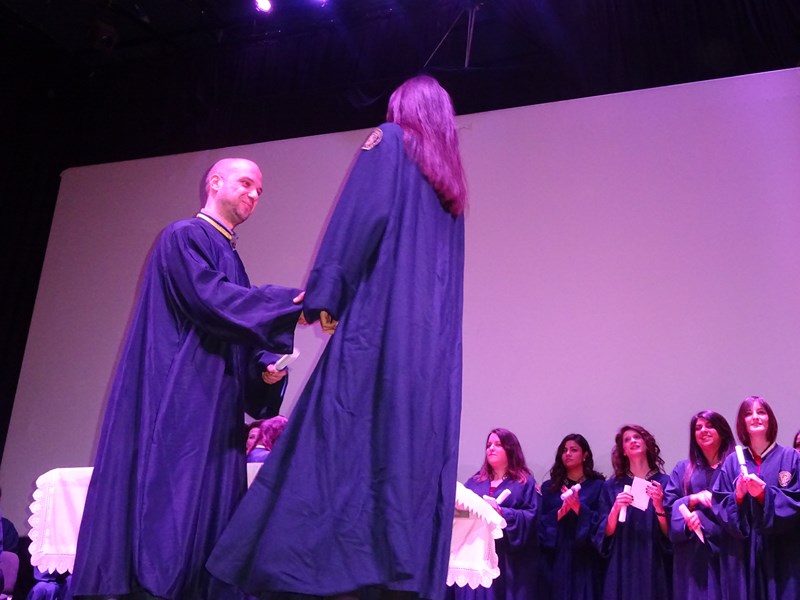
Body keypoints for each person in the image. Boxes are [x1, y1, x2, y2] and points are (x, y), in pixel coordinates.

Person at [207, 74, 467, 600]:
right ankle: (391, 574)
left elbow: (358, 217)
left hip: (381, 331)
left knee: (336, 437)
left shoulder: (391, 141)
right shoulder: (451, 191)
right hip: (430, 355)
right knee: (401, 457)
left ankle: (304, 573)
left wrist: (326, 296)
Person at [70, 158, 305, 600]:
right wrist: (292, 304)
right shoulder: (183, 237)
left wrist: (265, 371)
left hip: (215, 412)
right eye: (246, 183)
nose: (254, 195)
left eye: (260, 191)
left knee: (209, 520)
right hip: (181, 400)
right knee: (170, 514)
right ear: (214, 183)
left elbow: (235, 330)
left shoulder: (232, 258)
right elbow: (212, 302)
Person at [712, 396, 800, 600]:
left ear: (770, 419)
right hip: (743, 556)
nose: (755, 417)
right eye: (748, 413)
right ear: (742, 422)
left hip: (782, 553)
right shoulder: (732, 462)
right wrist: (738, 496)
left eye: (761, 412)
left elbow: (796, 500)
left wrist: (763, 495)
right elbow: (720, 503)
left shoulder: (791, 458)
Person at [449, 428, 539, 600]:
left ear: (510, 449)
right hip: (478, 555)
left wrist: (501, 513)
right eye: (489, 445)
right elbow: (461, 514)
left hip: (509, 560)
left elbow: (532, 517)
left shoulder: (524, 482)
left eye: (498, 444)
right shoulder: (475, 482)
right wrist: (461, 512)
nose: (491, 448)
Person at [663, 411, 738, 600]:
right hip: (691, 555)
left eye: (709, 426)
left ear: (722, 431)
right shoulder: (683, 469)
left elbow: (742, 509)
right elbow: (669, 507)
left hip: (728, 551)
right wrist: (691, 500)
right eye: (698, 428)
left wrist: (705, 519)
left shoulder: (735, 467)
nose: (703, 430)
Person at [597, 424, 671, 600]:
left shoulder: (665, 483)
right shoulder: (612, 486)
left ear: (647, 444)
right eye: (627, 440)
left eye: (637, 437)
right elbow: (604, 533)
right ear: (623, 451)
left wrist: (659, 507)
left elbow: (670, 534)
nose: (632, 441)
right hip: (622, 559)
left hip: (654, 558)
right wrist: (615, 509)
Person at [539, 434, 605, 600]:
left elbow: (601, 524)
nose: (567, 453)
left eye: (573, 450)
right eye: (564, 450)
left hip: (586, 559)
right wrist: (558, 514)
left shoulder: (598, 486)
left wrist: (579, 509)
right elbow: (539, 525)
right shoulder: (549, 487)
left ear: (585, 455)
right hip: (556, 558)